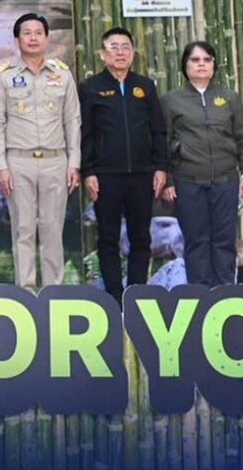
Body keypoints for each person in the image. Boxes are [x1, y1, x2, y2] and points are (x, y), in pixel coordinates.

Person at [0, 13, 81, 291]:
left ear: (46, 38)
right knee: (24, 231)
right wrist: (1, 166)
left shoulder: (62, 75)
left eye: (38, 32)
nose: (32, 37)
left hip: (56, 161)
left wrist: (74, 162)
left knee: (53, 229)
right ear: (17, 39)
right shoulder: (4, 76)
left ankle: (54, 290)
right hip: (19, 162)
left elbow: (72, 120)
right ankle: (25, 291)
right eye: (26, 33)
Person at [80, 27, 168, 304]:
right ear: (103, 54)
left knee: (140, 238)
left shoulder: (145, 86)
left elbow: (158, 131)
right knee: (108, 239)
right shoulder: (91, 88)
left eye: (125, 47)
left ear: (132, 53)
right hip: (106, 176)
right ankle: (114, 296)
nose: (120, 52)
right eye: (114, 47)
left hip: (142, 174)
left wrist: (161, 167)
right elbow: (85, 134)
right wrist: (88, 171)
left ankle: (136, 294)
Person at [161, 41, 243, 286]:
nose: (201, 64)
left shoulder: (230, 98)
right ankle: (200, 296)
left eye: (207, 59)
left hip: (225, 181)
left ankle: (226, 294)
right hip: (188, 181)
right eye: (195, 60)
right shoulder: (171, 100)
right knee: (196, 241)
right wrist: (168, 181)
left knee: (224, 241)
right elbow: (162, 142)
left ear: (214, 65)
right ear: (185, 65)